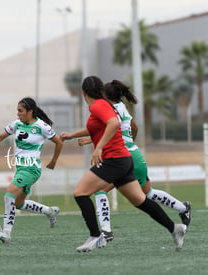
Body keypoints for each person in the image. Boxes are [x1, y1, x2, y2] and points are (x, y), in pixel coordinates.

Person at [60, 75, 187, 252]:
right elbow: (101, 126)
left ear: (83, 93)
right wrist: (72, 135)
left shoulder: (98, 105)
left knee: (80, 193)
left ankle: (96, 236)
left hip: (114, 159)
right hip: (124, 159)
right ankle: (175, 228)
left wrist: (98, 149)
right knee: (141, 200)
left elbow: (113, 124)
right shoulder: (104, 105)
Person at [0, 97, 63, 243]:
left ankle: (6, 232)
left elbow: (59, 142)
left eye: (20, 111)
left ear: (30, 111)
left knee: (9, 193)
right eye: (17, 111)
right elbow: (1, 136)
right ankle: (50, 211)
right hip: (20, 169)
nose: (18, 114)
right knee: (18, 203)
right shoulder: (17, 124)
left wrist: (54, 161)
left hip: (31, 169)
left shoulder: (42, 126)